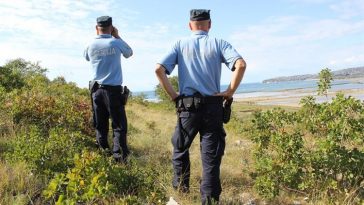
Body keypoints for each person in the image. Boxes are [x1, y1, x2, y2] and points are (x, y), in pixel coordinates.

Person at [155, 9, 246, 204]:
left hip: (187, 107)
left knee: (180, 148)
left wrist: (173, 96)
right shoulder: (219, 43)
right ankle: (209, 201)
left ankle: (181, 191)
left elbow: (158, 69)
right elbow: (241, 64)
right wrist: (229, 92)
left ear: (190, 25)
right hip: (213, 107)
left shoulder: (179, 44)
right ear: (209, 25)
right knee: (211, 158)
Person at [84, 16, 133, 163]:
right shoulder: (115, 42)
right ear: (112, 28)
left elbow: (86, 58)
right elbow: (129, 53)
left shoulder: (90, 45)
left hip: (96, 91)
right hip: (113, 91)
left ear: (96, 28)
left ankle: (104, 156)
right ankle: (119, 159)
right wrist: (117, 36)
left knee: (100, 125)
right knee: (118, 126)